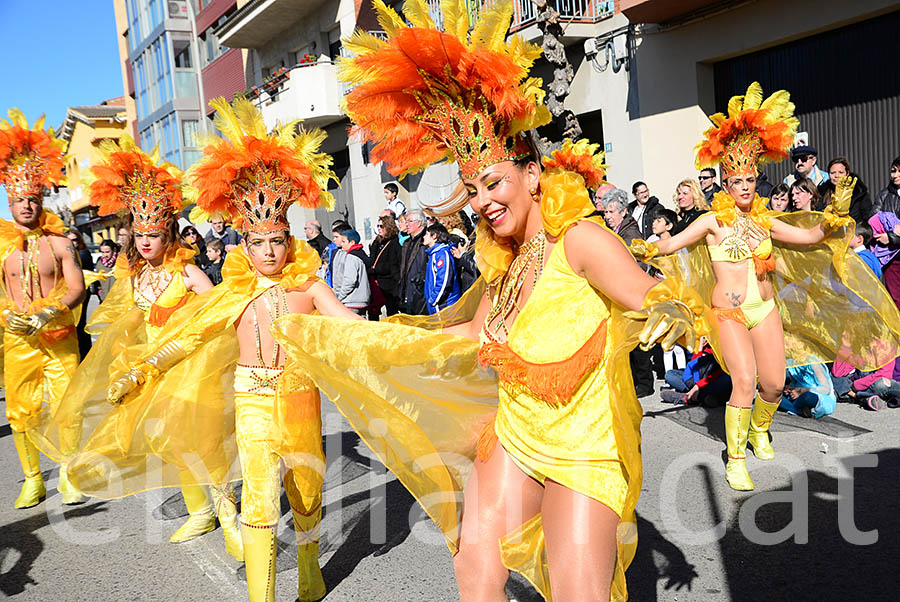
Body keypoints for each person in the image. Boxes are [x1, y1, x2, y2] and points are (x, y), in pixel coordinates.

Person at [277, 7, 706, 601]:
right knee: (474, 568)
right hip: (514, 434)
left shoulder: (579, 240)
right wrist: (359, 340)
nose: (483, 202)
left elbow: (653, 294)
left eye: (495, 183)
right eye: (472, 189)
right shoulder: (504, 265)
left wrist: (672, 314)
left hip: (582, 445)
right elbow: (474, 336)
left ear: (532, 175)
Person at [101, 98, 362, 602]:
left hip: (302, 395)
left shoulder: (310, 288)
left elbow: (354, 328)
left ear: (289, 241)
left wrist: (419, 342)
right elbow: (191, 335)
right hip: (252, 399)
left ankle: (310, 566)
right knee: (260, 500)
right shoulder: (232, 292)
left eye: (277, 240)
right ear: (244, 242)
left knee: (305, 491)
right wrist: (139, 372)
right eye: (259, 241)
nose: (268, 251)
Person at [631, 82, 900, 491]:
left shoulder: (766, 220)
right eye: (736, 179)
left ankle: (760, 428)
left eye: (750, 179)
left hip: (765, 309)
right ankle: (735, 458)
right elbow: (669, 244)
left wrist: (834, 218)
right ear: (725, 181)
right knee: (744, 380)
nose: (744, 185)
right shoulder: (711, 222)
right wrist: (644, 248)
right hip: (730, 313)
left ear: (757, 180)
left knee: (773, 383)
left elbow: (810, 239)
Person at [29, 133, 243, 553]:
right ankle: (200, 511)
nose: (145, 242)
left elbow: (219, 311)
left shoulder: (188, 274)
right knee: (168, 439)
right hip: (152, 369)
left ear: (169, 235)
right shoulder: (137, 277)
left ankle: (226, 507)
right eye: (139, 234)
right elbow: (125, 323)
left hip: (191, 367)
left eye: (154, 234)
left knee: (199, 437)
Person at [0, 108, 87, 508]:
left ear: (41, 200)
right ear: (9, 201)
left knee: (66, 403)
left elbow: (77, 288)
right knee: (22, 410)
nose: (26, 207)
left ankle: (69, 474)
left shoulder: (59, 243)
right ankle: (32, 478)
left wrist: (49, 312)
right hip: (18, 340)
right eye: (18, 200)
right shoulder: (1, 246)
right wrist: (9, 316)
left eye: (32, 199)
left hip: (58, 335)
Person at [67, 226, 94, 359]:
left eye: (75, 240)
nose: (72, 243)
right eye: (69, 240)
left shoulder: (83, 253)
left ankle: (85, 354)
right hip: (70, 292)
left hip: (82, 293)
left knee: (80, 323)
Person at [422, 223, 461, 314]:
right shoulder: (434, 254)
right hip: (437, 305)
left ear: (434, 236)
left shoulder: (442, 254)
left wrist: (434, 300)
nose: (424, 237)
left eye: (427, 234)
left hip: (444, 305)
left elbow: (444, 280)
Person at [817, 157, 871, 222]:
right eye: (832, 173)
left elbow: (867, 217)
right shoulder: (821, 192)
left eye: (840, 172)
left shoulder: (859, 192)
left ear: (847, 173)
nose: (836, 175)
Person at [369, 214, 402, 315]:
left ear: (388, 227)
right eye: (378, 226)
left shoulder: (394, 243)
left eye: (381, 226)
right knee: (373, 310)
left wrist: (376, 269)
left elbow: (393, 264)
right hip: (376, 281)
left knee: (391, 311)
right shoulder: (377, 242)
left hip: (389, 284)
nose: (379, 229)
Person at [335, 228, 371, 316]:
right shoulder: (360, 254)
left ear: (352, 242)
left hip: (351, 301)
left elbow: (350, 281)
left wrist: (339, 297)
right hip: (362, 300)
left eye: (344, 242)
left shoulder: (351, 257)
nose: (341, 244)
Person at [399, 208, 427, 314]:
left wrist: (419, 282)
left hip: (421, 293)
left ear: (419, 223)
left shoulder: (426, 241)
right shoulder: (407, 242)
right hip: (408, 292)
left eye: (409, 221)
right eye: (406, 221)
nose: (407, 224)